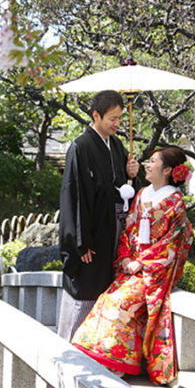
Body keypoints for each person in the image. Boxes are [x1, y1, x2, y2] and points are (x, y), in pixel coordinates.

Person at [71, 146, 194, 385]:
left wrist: (142, 262)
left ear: (168, 170)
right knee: (107, 298)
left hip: (155, 270)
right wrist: (126, 257)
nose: (147, 165)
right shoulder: (142, 194)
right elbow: (129, 229)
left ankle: (118, 362)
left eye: (153, 162)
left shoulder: (176, 202)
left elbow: (172, 241)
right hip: (133, 266)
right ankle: (102, 356)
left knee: (121, 303)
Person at [57, 90, 140, 341]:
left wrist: (133, 174)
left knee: (108, 285)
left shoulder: (115, 145)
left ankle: (99, 349)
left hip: (114, 226)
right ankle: (71, 345)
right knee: (87, 285)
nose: (117, 124)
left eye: (120, 119)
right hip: (92, 230)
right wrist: (81, 241)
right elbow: (75, 194)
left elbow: (124, 187)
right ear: (96, 115)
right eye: (112, 118)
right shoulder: (81, 146)